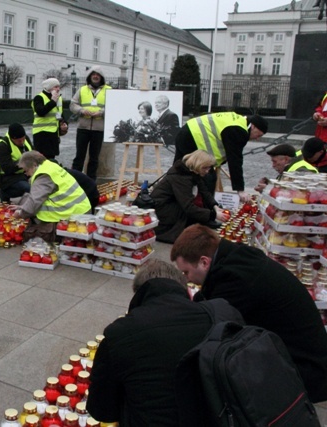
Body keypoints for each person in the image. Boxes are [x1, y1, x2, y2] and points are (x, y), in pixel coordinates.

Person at [171, 224, 327, 403]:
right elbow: (210, 293)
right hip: (309, 357)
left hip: (305, 371)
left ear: (204, 262)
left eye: (186, 272)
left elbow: (210, 326)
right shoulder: (236, 258)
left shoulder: (237, 280)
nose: (187, 279)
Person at [87, 260, 243, 426]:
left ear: (139, 294)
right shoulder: (224, 313)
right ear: (187, 291)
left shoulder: (119, 333)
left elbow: (102, 410)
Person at [173, 112, 268, 202]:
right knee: (207, 178)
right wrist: (240, 190)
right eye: (258, 135)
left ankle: (174, 199)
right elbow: (235, 160)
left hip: (186, 131)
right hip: (192, 138)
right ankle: (205, 211)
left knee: (178, 171)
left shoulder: (238, 121)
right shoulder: (239, 130)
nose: (257, 138)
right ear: (253, 126)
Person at [151, 150, 229, 243]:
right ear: (198, 165)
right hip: (163, 209)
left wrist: (215, 206)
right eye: (205, 168)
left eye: (209, 168)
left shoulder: (193, 172)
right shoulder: (181, 177)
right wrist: (213, 215)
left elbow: (205, 192)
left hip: (172, 205)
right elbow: (188, 207)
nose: (207, 171)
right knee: (189, 215)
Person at [13, 151, 91, 243]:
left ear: (34, 165)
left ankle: (54, 234)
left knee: (33, 208)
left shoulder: (43, 176)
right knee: (29, 199)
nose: (26, 174)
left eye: (26, 170)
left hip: (72, 217)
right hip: (82, 209)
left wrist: (20, 213)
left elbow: (34, 201)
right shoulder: (50, 166)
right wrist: (22, 206)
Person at [70, 66, 111, 180]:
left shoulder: (109, 90)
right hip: (83, 127)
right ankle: (75, 180)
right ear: (89, 76)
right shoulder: (82, 89)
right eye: (93, 74)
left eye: (98, 75)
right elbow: (73, 104)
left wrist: (102, 112)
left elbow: (114, 106)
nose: (95, 76)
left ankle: (91, 180)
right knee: (79, 156)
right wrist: (81, 110)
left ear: (101, 77)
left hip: (98, 129)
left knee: (94, 158)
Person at [0, 123, 33, 203]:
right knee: (28, 188)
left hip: (23, 174)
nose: (22, 142)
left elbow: (32, 153)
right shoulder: (1, 146)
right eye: (19, 141)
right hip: (5, 177)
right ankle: (4, 193)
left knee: (41, 185)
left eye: (23, 139)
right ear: (11, 138)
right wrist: (25, 162)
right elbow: (8, 168)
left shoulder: (25, 139)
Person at [32, 77, 68, 160]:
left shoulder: (58, 99)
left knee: (52, 159)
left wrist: (64, 124)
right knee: (41, 160)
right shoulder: (39, 98)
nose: (58, 89)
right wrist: (52, 102)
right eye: (55, 87)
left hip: (53, 134)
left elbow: (60, 114)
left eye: (59, 87)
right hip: (41, 135)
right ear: (49, 87)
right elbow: (41, 112)